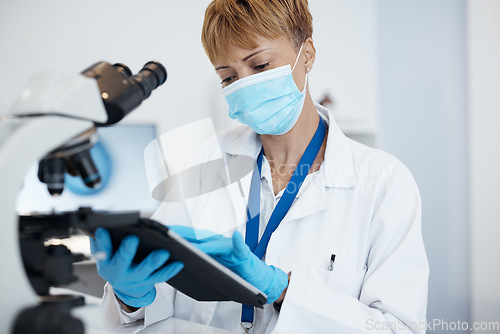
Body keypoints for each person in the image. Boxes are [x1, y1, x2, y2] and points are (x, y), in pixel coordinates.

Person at [91, 0, 429, 333]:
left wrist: (282, 290)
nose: (244, 85)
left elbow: (397, 329)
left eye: (260, 66)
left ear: (306, 54)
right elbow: (155, 298)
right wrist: (130, 298)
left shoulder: (383, 182)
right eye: (228, 77)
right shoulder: (210, 157)